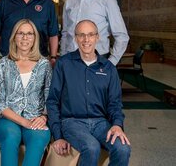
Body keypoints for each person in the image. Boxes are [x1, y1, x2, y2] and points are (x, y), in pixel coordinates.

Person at [47, 19, 131, 166]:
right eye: (82, 35)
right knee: (91, 147)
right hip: (72, 122)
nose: (86, 39)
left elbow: (115, 103)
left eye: (91, 35)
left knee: (123, 148)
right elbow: (53, 101)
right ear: (75, 38)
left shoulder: (108, 68)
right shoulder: (63, 64)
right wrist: (58, 136)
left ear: (97, 37)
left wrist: (117, 124)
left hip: (101, 123)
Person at [0, 19, 52, 166]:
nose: (25, 38)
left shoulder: (44, 65)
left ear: (35, 38)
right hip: (8, 119)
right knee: (10, 137)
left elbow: (49, 96)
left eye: (29, 34)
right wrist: (24, 122)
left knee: (38, 139)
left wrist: (44, 116)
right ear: (14, 37)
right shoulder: (3, 64)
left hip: (36, 119)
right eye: (21, 33)